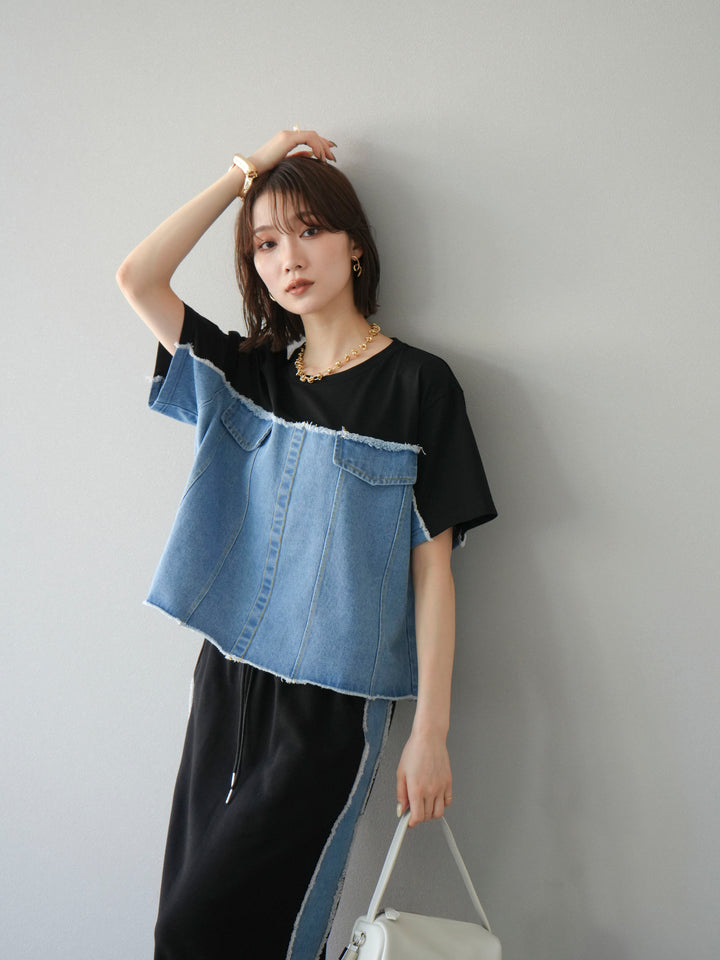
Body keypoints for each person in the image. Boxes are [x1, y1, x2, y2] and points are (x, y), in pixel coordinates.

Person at [116, 128, 497, 960]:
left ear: (354, 246)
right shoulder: (251, 377)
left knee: (239, 930)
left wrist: (429, 732)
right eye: (265, 244)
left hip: (333, 702)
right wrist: (245, 173)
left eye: (310, 230)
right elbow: (138, 277)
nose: (289, 257)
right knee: (181, 931)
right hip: (228, 682)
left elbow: (434, 574)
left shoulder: (418, 384)